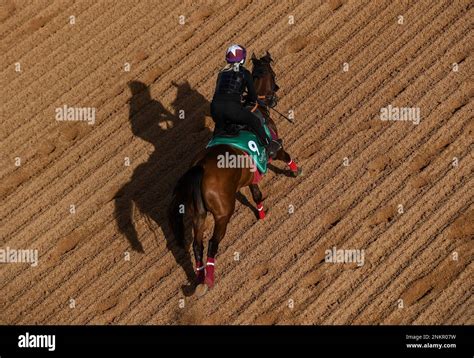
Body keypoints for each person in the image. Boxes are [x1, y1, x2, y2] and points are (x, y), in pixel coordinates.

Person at [210, 44, 282, 159]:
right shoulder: (245, 73)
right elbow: (253, 96)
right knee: (253, 120)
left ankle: (211, 145)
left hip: (214, 109)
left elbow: (223, 92)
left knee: (220, 128)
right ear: (242, 59)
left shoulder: (221, 73)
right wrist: (248, 98)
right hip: (231, 109)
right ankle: (270, 146)